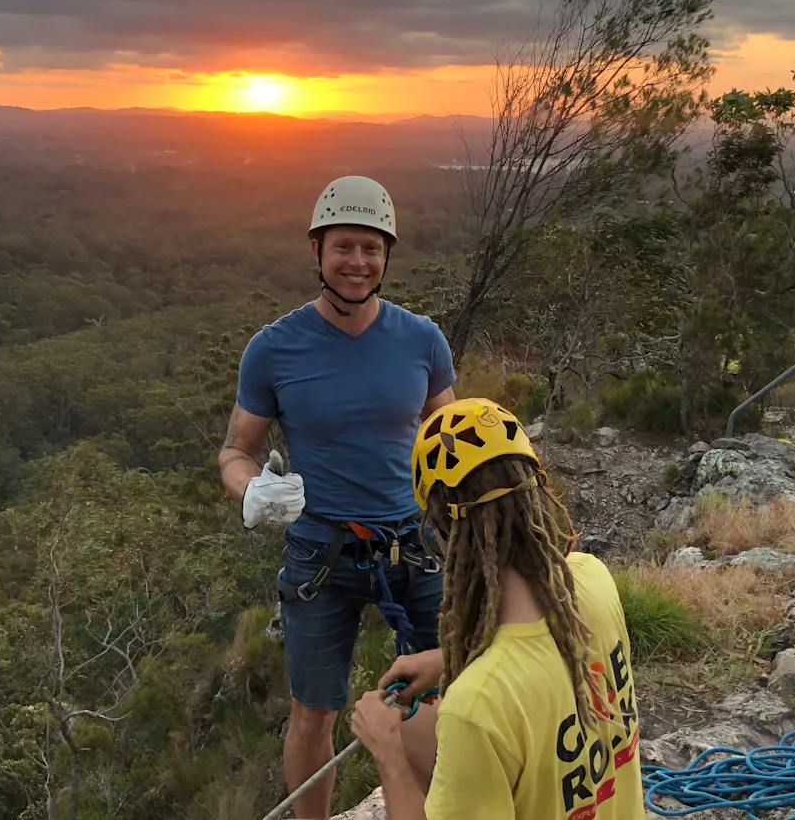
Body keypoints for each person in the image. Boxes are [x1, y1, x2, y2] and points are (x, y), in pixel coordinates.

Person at [218, 175, 457, 820]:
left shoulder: (422, 340)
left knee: (440, 693)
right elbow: (236, 449)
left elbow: (451, 438)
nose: (358, 262)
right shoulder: (273, 349)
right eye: (344, 247)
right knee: (312, 712)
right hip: (321, 551)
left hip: (413, 545)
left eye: (372, 249)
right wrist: (253, 491)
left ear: (387, 256)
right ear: (317, 251)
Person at [349, 397, 643, 820]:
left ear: (440, 533)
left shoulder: (476, 708)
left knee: (408, 732)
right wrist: (446, 661)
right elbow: (539, 659)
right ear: (537, 495)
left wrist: (387, 754)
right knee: (419, 727)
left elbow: (504, 686)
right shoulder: (592, 578)